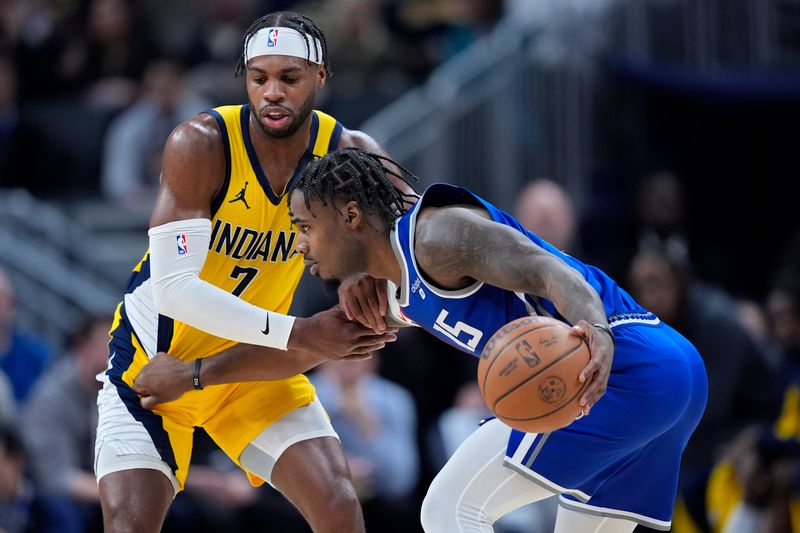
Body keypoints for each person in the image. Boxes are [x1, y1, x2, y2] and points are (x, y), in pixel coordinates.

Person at [135, 148, 708, 532]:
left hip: (618, 368)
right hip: (671, 378)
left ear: (351, 216)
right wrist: (192, 376)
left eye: (306, 228)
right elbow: (304, 348)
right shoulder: (384, 294)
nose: (301, 246)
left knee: (449, 510)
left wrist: (598, 334)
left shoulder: (437, 236)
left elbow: (548, 270)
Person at [96, 12, 405, 533]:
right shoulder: (201, 143)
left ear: (322, 76)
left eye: (290, 77)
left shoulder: (353, 155)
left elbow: (413, 262)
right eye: (259, 77)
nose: (272, 93)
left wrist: (370, 274)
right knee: (129, 524)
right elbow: (174, 290)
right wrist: (303, 334)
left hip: (252, 366)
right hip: (153, 368)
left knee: (339, 508)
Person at [20, 315, 112, 533]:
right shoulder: (51, 396)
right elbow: (54, 478)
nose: (117, 353)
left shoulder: (115, 392)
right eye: (108, 344)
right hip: (50, 495)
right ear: (82, 347)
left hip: (96, 490)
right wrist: (119, 494)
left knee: (176, 512)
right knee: (65, 516)